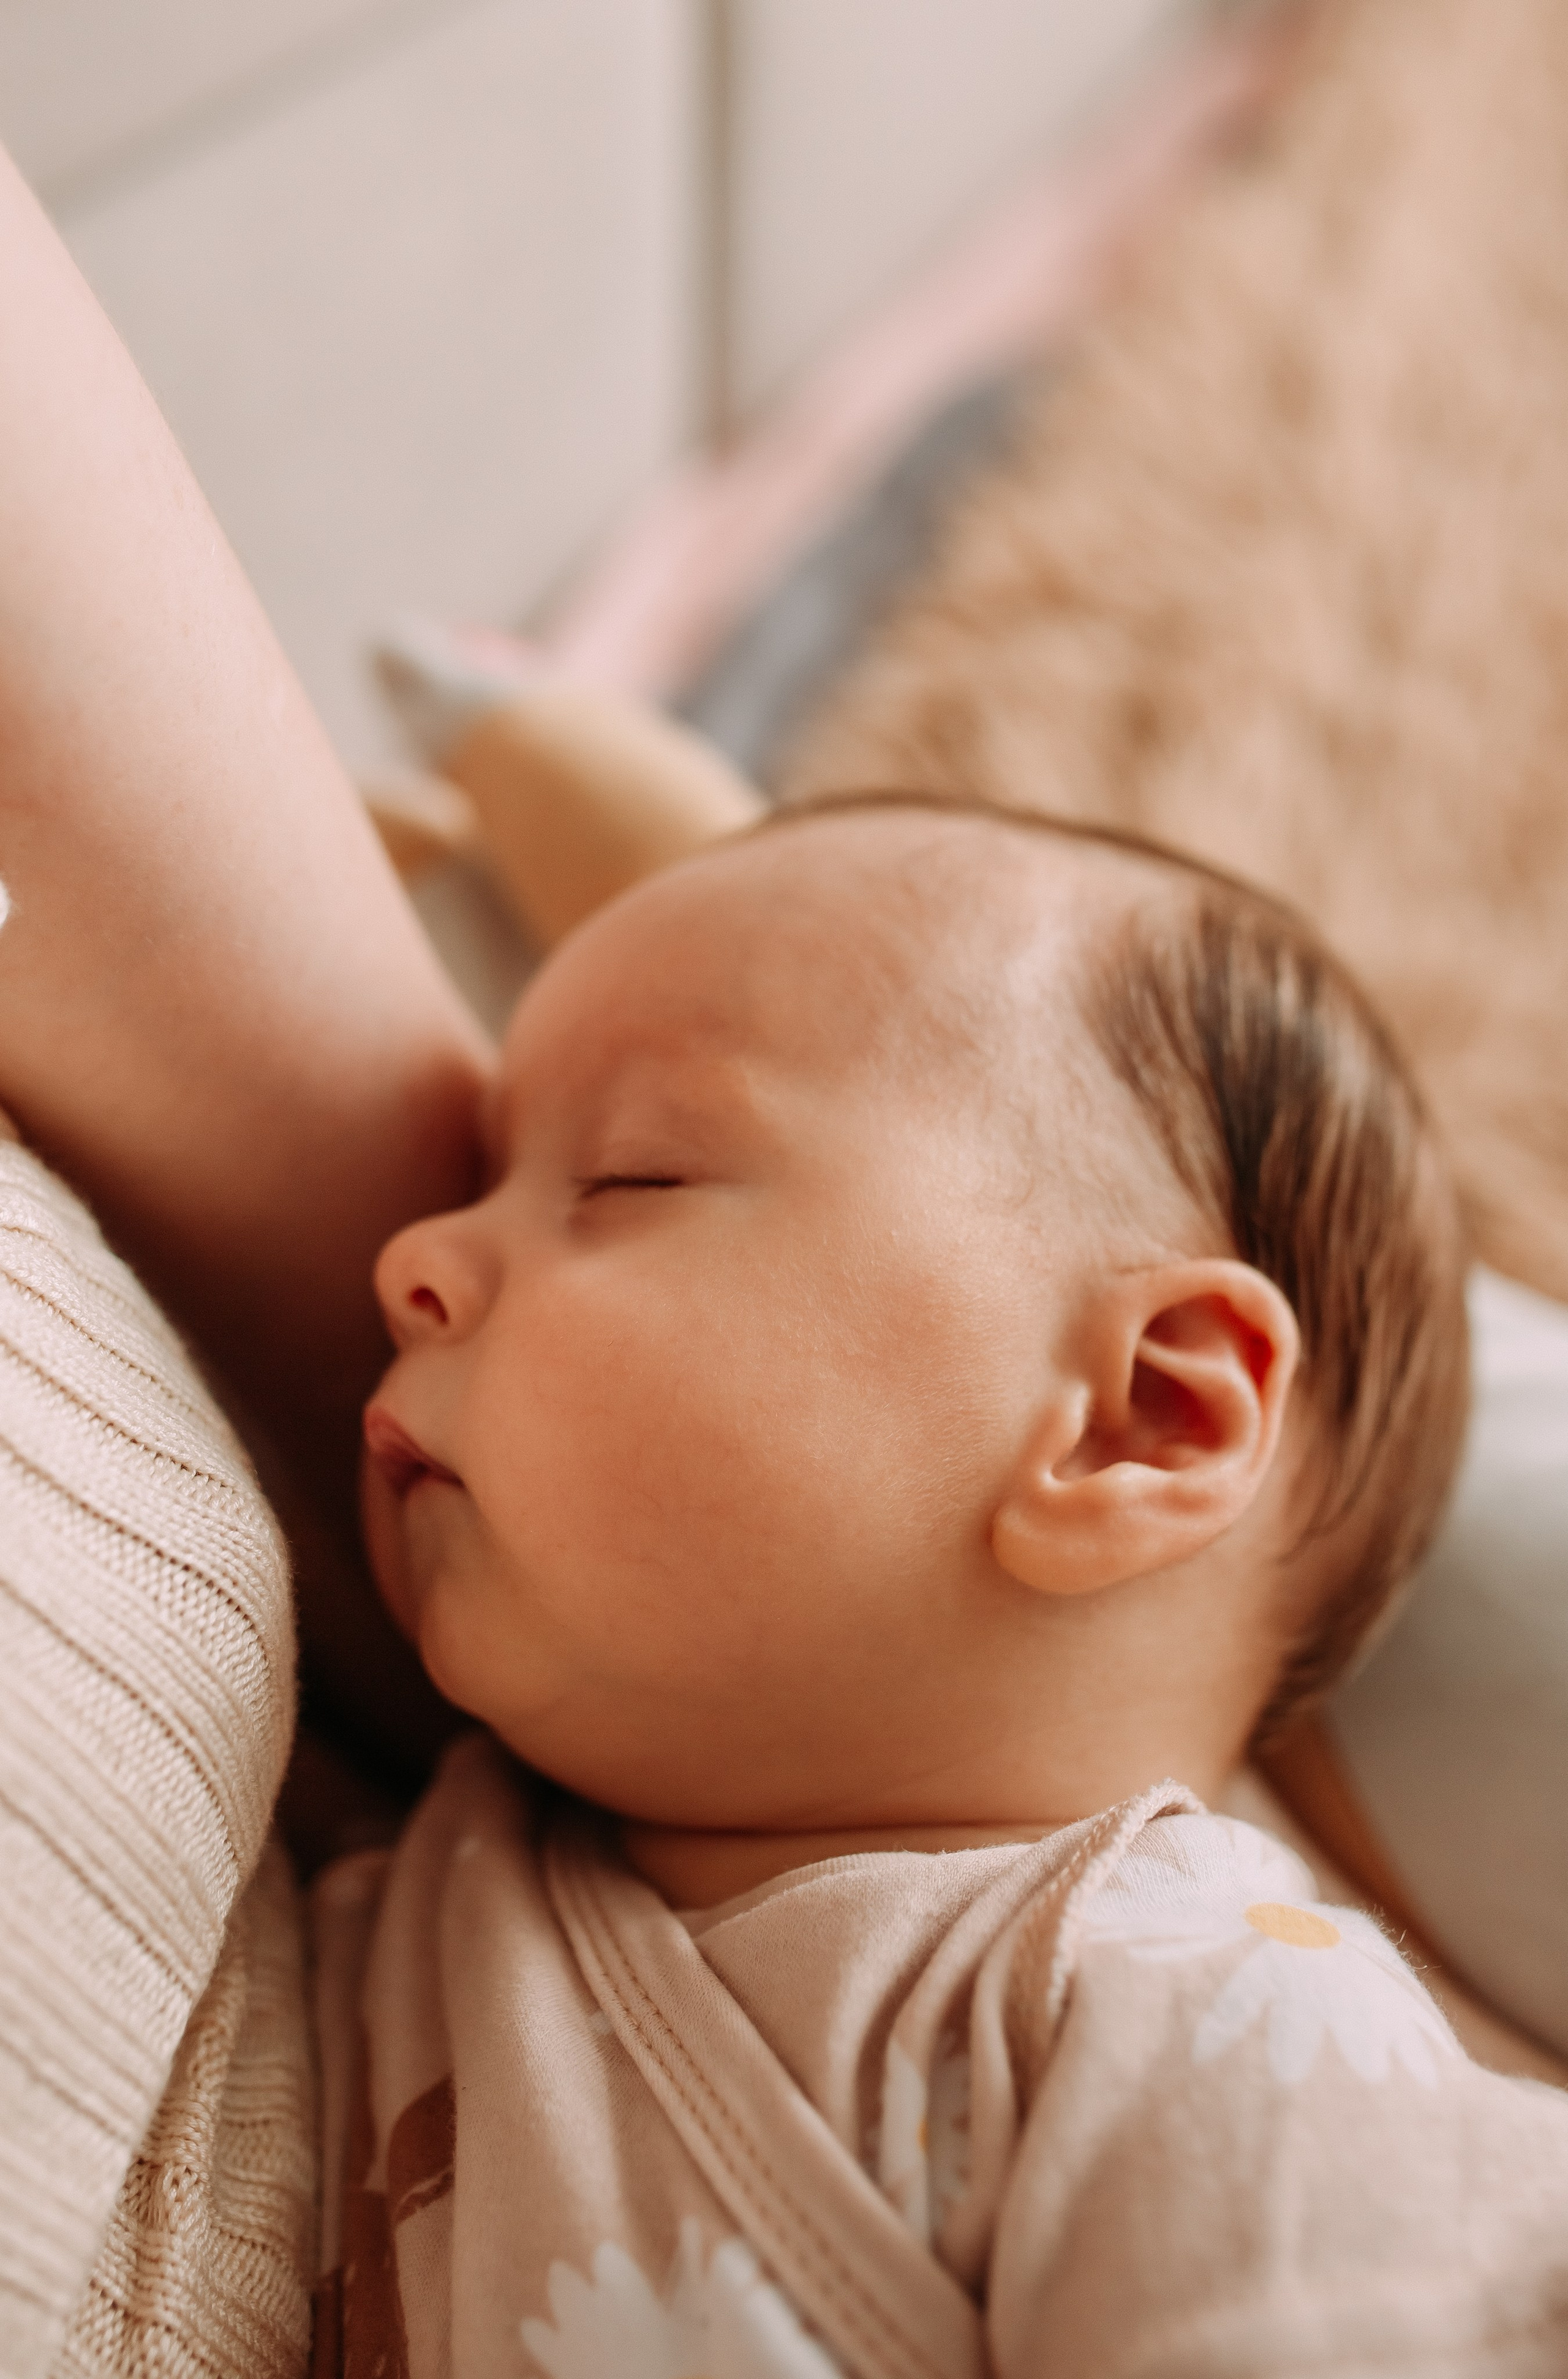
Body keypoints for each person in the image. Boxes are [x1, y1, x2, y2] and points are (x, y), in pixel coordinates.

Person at [2, 141, 1567, 2379]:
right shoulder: (454, 1858)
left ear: (1136, 1416)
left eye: (624, 1182)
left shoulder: (1185, 2005)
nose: (423, 1248)